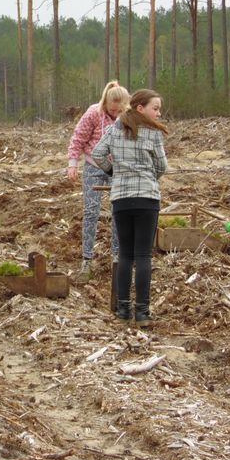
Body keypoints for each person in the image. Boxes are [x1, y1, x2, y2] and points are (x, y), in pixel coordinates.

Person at [92, 89, 168, 327]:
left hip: (121, 199)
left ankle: (123, 309)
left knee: (125, 254)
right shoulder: (153, 133)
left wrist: (114, 172)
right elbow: (162, 166)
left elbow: (97, 153)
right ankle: (143, 312)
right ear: (140, 108)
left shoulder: (114, 129)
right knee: (144, 255)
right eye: (155, 108)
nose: (158, 113)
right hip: (147, 198)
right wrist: (149, 178)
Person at [67, 81, 130, 281]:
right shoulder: (94, 113)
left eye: (119, 110)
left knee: (119, 212)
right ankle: (87, 260)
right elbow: (78, 138)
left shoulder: (128, 118)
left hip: (117, 170)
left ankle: (117, 257)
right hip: (94, 166)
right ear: (106, 102)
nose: (115, 113)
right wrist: (72, 163)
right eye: (112, 109)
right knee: (91, 211)